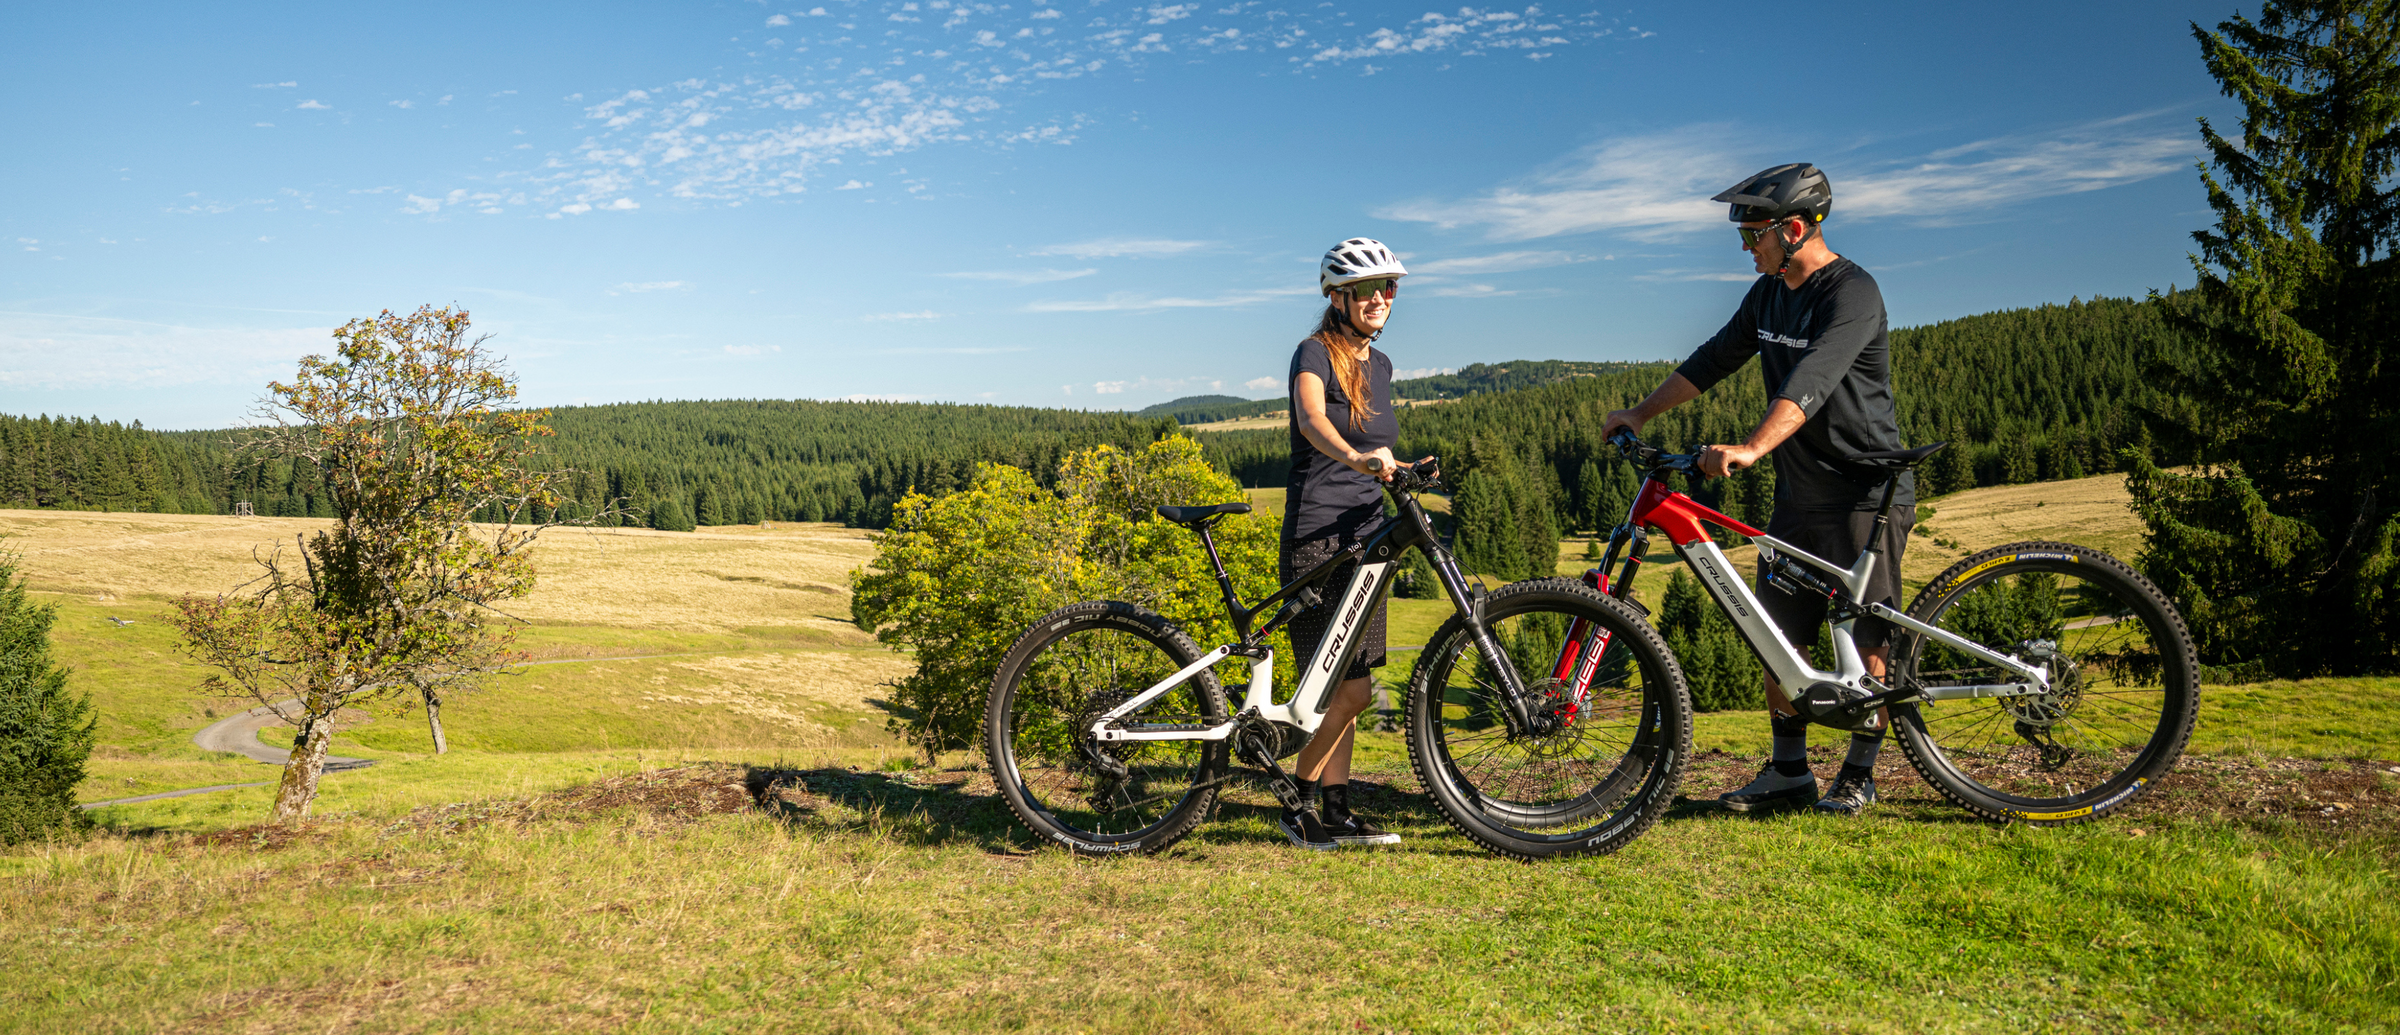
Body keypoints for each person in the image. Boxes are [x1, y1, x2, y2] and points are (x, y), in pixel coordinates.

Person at [1598, 163, 1914, 817]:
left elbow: (1813, 383)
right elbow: (1714, 358)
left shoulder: (1852, 293)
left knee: (1865, 640)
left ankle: (1857, 775)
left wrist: (1748, 448)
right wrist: (1641, 412)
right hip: (1799, 494)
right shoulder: (1769, 294)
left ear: (1794, 228)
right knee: (1773, 631)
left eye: (1755, 235)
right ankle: (1789, 772)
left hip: (1864, 491)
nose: (1748, 248)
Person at [1276, 237, 1410, 850]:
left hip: (1368, 536)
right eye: (1367, 289)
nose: (1380, 298)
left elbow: (1375, 445)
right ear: (1338, 296)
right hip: (1319, 536)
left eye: (1390, 287)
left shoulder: (1379, 366)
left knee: (1356, 681)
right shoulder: (1314, 352)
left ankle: (1335, 809)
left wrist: (1400, 467)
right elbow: (1312, 421)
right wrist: (1357, 457)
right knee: (1334, 686)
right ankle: (1295, 805)